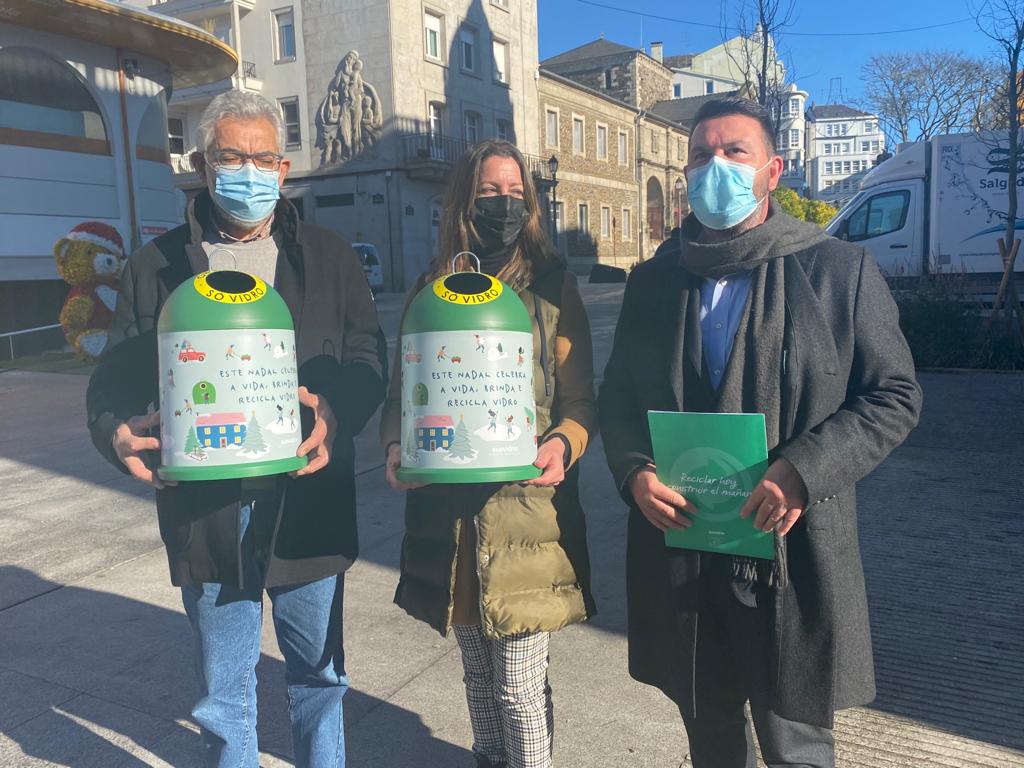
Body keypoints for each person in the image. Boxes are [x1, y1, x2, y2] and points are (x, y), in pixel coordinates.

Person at [598, 97, 923, 768]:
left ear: (774, 170)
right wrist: (634, 471)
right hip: (684, 553)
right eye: (700, 155)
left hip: (791, 553)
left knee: (796, 743)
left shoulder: (836, 272)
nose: (714, 167)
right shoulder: (654, 283)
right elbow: (619, 400)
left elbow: (893, 395)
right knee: (710, 739)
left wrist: (805, 468)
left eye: (734, 152)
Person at [85, 91, 385, 768]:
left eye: (262, 158)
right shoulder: (157, 268)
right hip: (208, 510)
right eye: (230, 156)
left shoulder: (329, 258)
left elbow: (369, 356)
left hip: (309, 503)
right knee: (224, 695)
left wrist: (336, 413)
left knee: (320, 681)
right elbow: (115, 381)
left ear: (283, 169)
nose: (247, 171)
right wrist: (116, 433)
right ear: (200, 162)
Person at [381, 139, 598, 768]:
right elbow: (404, 390)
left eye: (514, 194)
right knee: (478, 679)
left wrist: (563, 442)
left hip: (523, 516)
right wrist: (395, 443)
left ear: (529, 205)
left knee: (521, 687)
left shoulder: (551, 288)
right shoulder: (431, 287)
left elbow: (580, 400)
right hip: (447, 519)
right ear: (462, 203)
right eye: (488, 193)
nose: (502, 205)